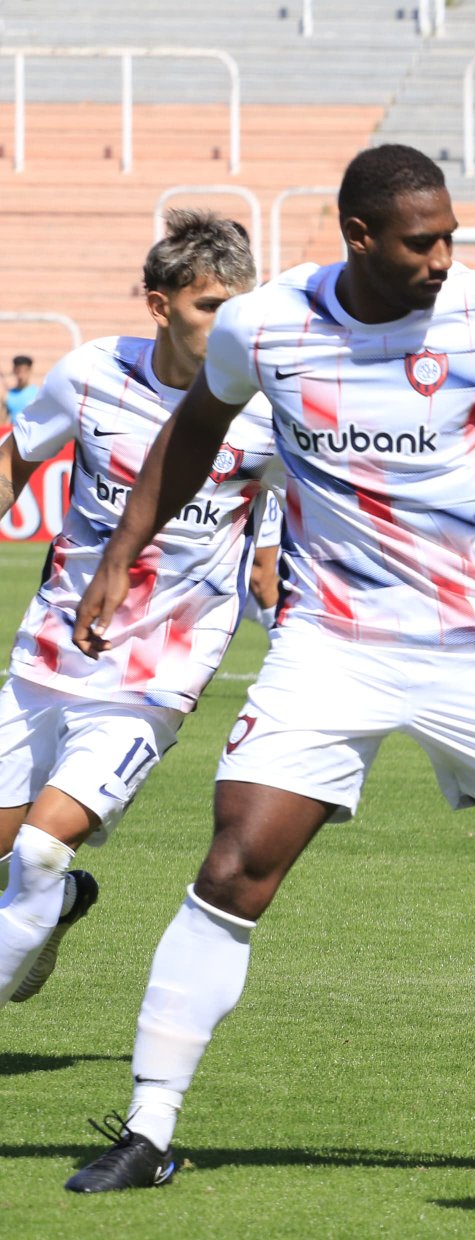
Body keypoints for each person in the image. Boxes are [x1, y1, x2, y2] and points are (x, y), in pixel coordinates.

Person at [59, 145, 475, 1194]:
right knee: (234, 863)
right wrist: (118, 558)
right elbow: (191, 434)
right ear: (359, 236)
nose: (443, 258)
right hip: (329, 641)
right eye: (423, 240)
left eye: (450, 237)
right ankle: (150, 1128)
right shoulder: (265, 324)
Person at [0, 212, 280, 1011]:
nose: (227, 324)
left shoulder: (265, 405)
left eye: (238, 305)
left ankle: (50, 890)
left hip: (157, 672)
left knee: (43, 848)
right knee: (10, 861)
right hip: (51, 648)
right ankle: (55, 908)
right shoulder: (89, 373)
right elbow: (17, 459)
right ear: (160, 306)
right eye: (208, 306)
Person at [3, 356, 36, 424]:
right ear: (14, 370)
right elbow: (2, 422)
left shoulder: (37, 394)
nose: (21, 375)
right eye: (18, 371)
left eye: (25, 371)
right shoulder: (8, 395)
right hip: (14, 432)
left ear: (30, 371)